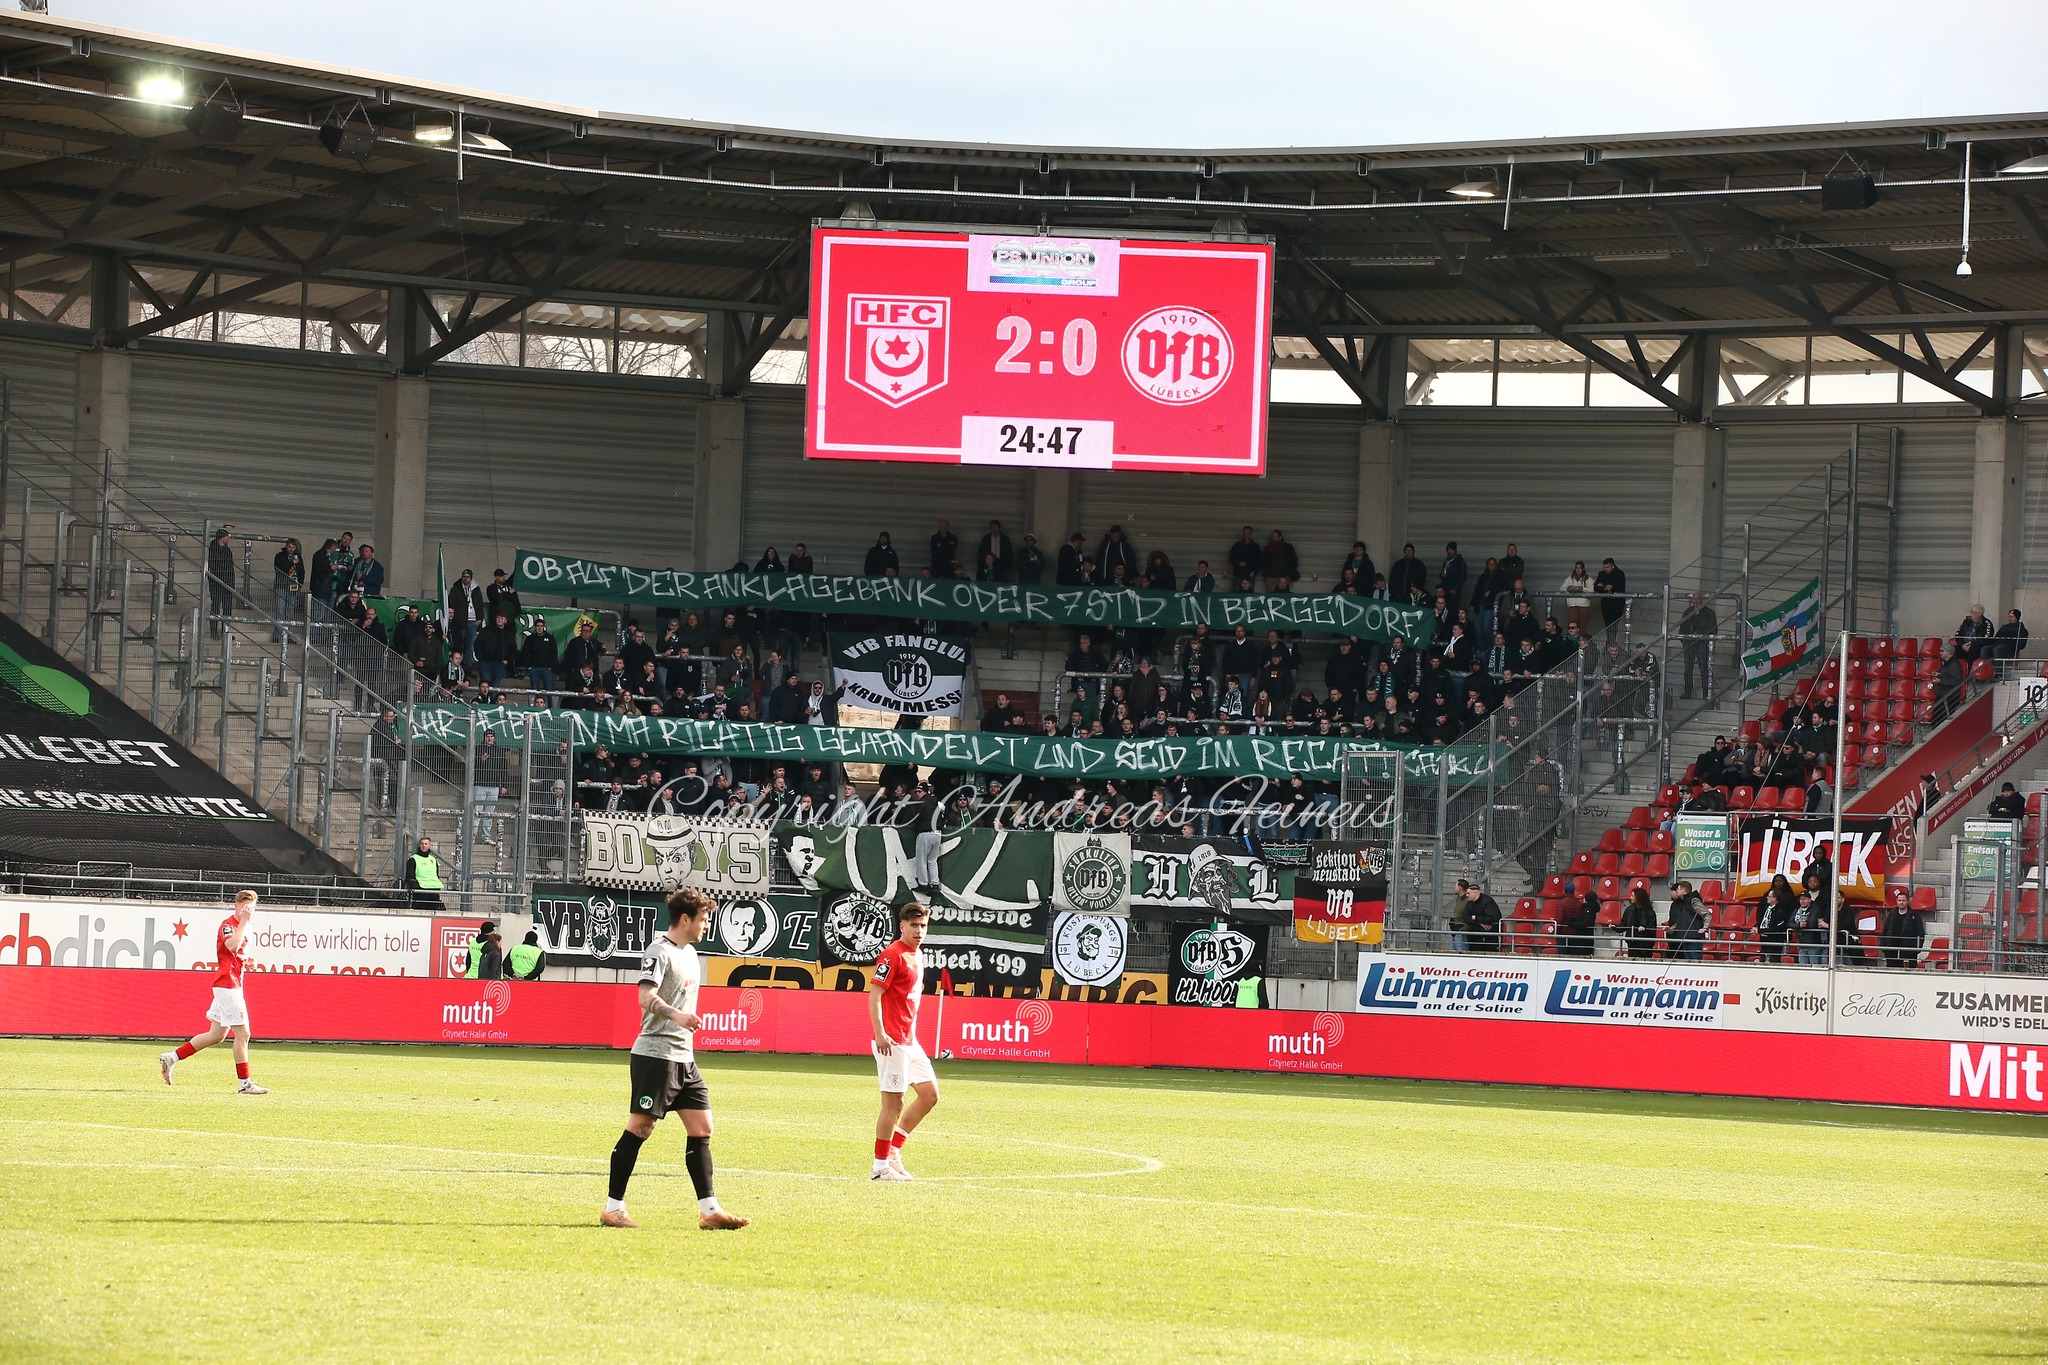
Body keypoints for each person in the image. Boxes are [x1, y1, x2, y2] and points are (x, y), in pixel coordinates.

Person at [602, 889, 750, 1231]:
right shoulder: (659, 951)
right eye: (704, 919)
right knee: (640, 1128)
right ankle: (613, 1208)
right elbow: (644, 995)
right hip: (656, 1055)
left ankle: (710, 1211)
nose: (707, 925)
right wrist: (677, 1016)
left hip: (684, 1057)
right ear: (685, 919)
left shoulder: (692, 953)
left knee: (702, 1128)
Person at [158, 890, 269, 1094]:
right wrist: (244, 921)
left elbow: (238, 953)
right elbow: (232, 946)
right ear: (236, 906)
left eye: (251, 907)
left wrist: (248, 960)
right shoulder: (229, 925)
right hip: (227, 985)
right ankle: (244, 1084)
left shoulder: (247, 927)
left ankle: (171, 1057)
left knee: (216, 1035)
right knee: (243, 1034)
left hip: (233, 984)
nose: (247, 910)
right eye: (244, 906)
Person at [869, 901, 939, 1182]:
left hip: (910, 1041)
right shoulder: (892, 955)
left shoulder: (917, 955)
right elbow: (874, 996)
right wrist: (880, 1033)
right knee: (893, 1104)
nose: (919, 931)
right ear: (902, 927)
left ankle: (894, 1151)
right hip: (892, 1042)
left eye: (923, 925)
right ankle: (879, 1167)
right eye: (913, 925)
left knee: (930, 1094)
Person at [1678, 591, 1717, 700]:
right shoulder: (1687, 612)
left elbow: (1713, 630)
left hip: (1702, 644)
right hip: (1689, 644)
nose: (1696, 601)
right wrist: (1684, 641)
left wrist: (1706, 641)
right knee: (1688, 669)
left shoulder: (1709, 613)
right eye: (1694, 599)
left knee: (1704, 669)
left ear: (1702, 600)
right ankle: (1687, 693)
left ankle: (1706, 694)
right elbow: (1682, 628)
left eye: (1698, 599)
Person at [1756, 874, 1799, 964]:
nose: (1778, 883)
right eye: (1776, 881)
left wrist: (1763, 930)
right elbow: (1760, 913)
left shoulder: (1787, 900)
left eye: (1780, 881)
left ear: (1775, 899)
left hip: (1776, 936)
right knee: (1763, 958)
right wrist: (1757, 927)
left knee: (1774, 958)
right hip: (1764, 936)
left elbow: (1783, 921)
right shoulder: (1767, 906)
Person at [1664, 881, 1708, 961]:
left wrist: (1705, 928)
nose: (1677, 891)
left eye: (1679, 889)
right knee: (1688, 963)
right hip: (1685, 938)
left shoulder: (1693, 901)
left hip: (1694, 938)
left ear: (1684, 890)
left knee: (1695, 962)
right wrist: (1671, 929)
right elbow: (1681, 921)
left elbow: (1707, 914)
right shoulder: (1683, 903)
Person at [206, 525, 237, 637]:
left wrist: (232, 583)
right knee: (215, 607)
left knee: (227, 608)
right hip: (216, 582)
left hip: (227, 582)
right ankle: (214, 631)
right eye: (227, 536)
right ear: (222, 537)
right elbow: (213, 566)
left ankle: (226, 631)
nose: (228, 538)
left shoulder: (227, 550)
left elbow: (230, 567)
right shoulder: (212, 549)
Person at [271, 538, 304, 641]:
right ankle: (277, 634)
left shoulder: (299, 558)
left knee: (289, 613)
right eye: (289, 547)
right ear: (286, 546)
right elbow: (279, 568)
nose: (291, 549)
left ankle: (287, 634)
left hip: (293, 587)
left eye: (293, 547)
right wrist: (291, 563)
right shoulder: (280, 556)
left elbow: (301, 572)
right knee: (280, 611)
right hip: (281, 586)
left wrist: (300, 585)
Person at [402, 836, 445, 909]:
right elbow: (410, 875)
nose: (424, 846)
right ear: (419, 845)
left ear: (429, 845)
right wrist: (417, 887)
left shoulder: (433, 860)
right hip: (421, 890)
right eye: (422, 844)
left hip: (434, 889)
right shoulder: (413, 859)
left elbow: (436, 874)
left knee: (433, 911)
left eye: (426, 844)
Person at [1618, 886, 1659, 959]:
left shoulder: (1650, 912)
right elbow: (1624, 924)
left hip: (1645, 945)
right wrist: (1615, 928)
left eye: (1633, 896)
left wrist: (1645, 929)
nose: (1630, 897)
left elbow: (1652, 928)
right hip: (1632, 943)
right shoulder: (1629, 910)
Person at [1556, 890, 1597, 958]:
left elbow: (1587, 922)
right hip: (1582, 940)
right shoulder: (1584, 907)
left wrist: (1574, 924)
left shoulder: (1588, 910)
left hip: (1583, 940)